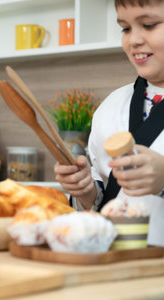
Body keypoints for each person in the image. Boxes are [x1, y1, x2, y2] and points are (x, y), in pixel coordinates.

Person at [54, 0, 164, 246]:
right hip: (111, 265)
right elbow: (103, 192)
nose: (133, 40)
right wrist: (85, 189)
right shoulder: (111, 106)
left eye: (149, 24)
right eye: (125, 28)